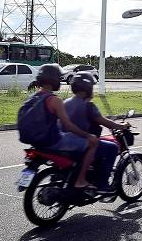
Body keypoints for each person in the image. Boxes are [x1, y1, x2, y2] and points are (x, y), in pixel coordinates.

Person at [32, 64, 99, 192]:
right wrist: (88, 135)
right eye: (59, 78)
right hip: (54, 141)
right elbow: (68, 125)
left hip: (37, 142)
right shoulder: (55, 100)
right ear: (53, 79)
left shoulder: (33, 97)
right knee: (93, 143)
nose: (60, 80)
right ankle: (80, 180)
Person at [63, 72, 131, 194]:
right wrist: (122, 126)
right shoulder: (88, 106)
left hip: (65, 143)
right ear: (88, 88)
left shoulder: (66, 102)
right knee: (112, 148)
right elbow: (105, 122)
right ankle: (102, 184)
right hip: (81, 143)